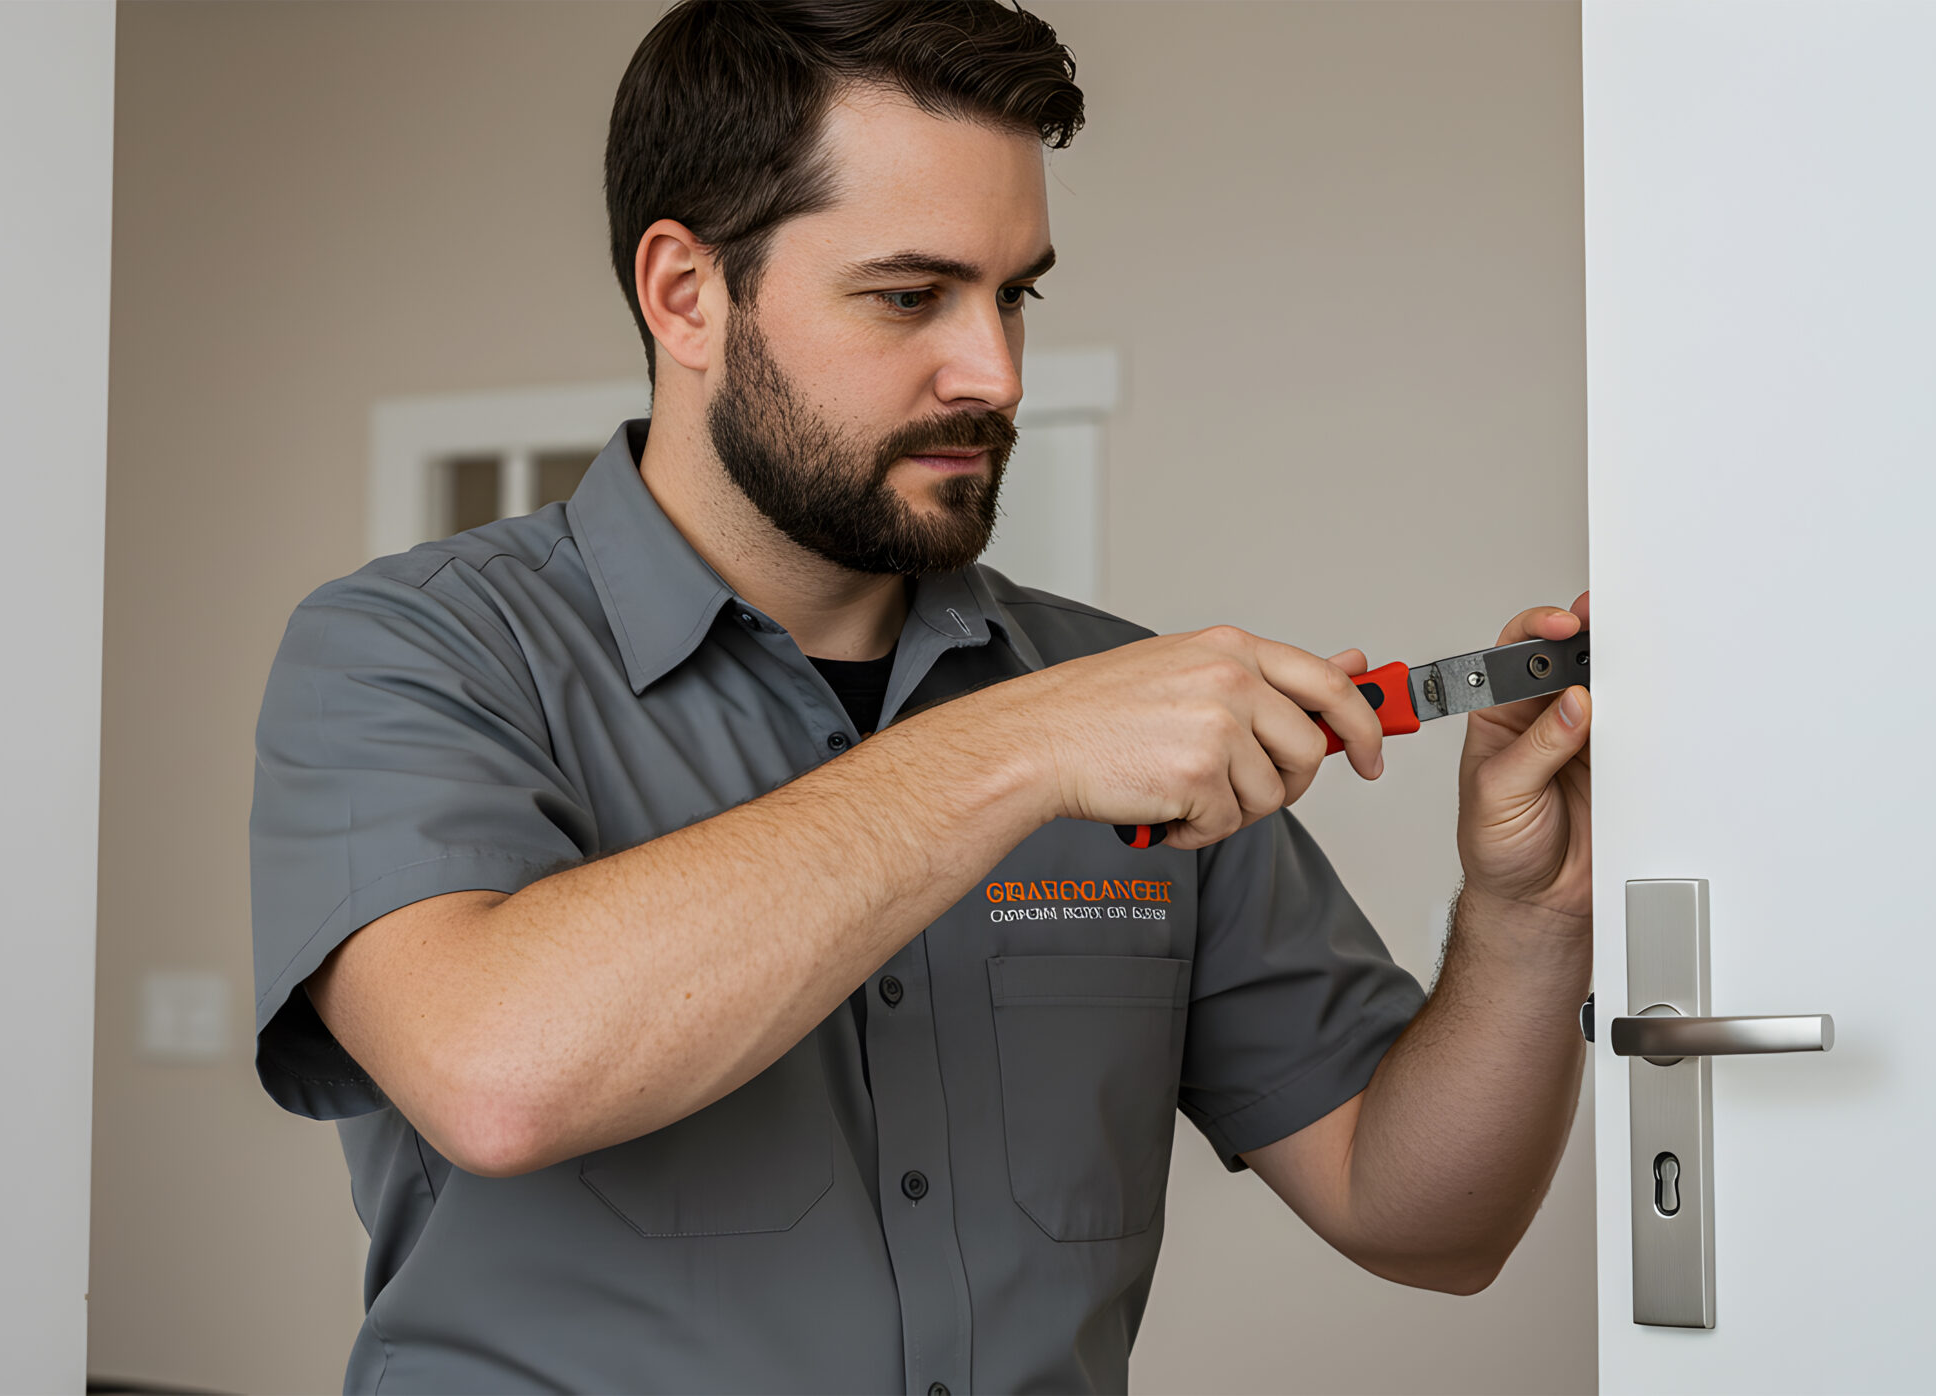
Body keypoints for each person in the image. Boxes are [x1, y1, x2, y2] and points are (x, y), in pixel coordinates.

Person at [249, 2, 1593, 1391]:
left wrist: (1529, 917)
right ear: (685, 293)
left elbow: (1433, 1222)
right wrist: (1023, 747)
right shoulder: (410, 652)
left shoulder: (1125, 710)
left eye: (1016, 294)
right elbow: (497, 1073)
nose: (996, 375)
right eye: (909, 297)